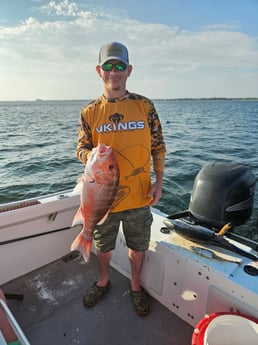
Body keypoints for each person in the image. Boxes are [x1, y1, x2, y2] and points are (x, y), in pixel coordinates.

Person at [76, 41, 166, 316]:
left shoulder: (144, 106)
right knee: (103, 247)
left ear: (128, 70)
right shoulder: (90, 112)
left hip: (140, 196)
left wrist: (158, 181)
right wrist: (93, 158)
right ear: (98, 70)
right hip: (104, 200)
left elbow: (158, 146)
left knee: (138, 246)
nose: (113, 71)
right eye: (108, 66)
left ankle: (136, 285)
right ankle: (103, 281)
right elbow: (80, 148)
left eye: (119, 66)